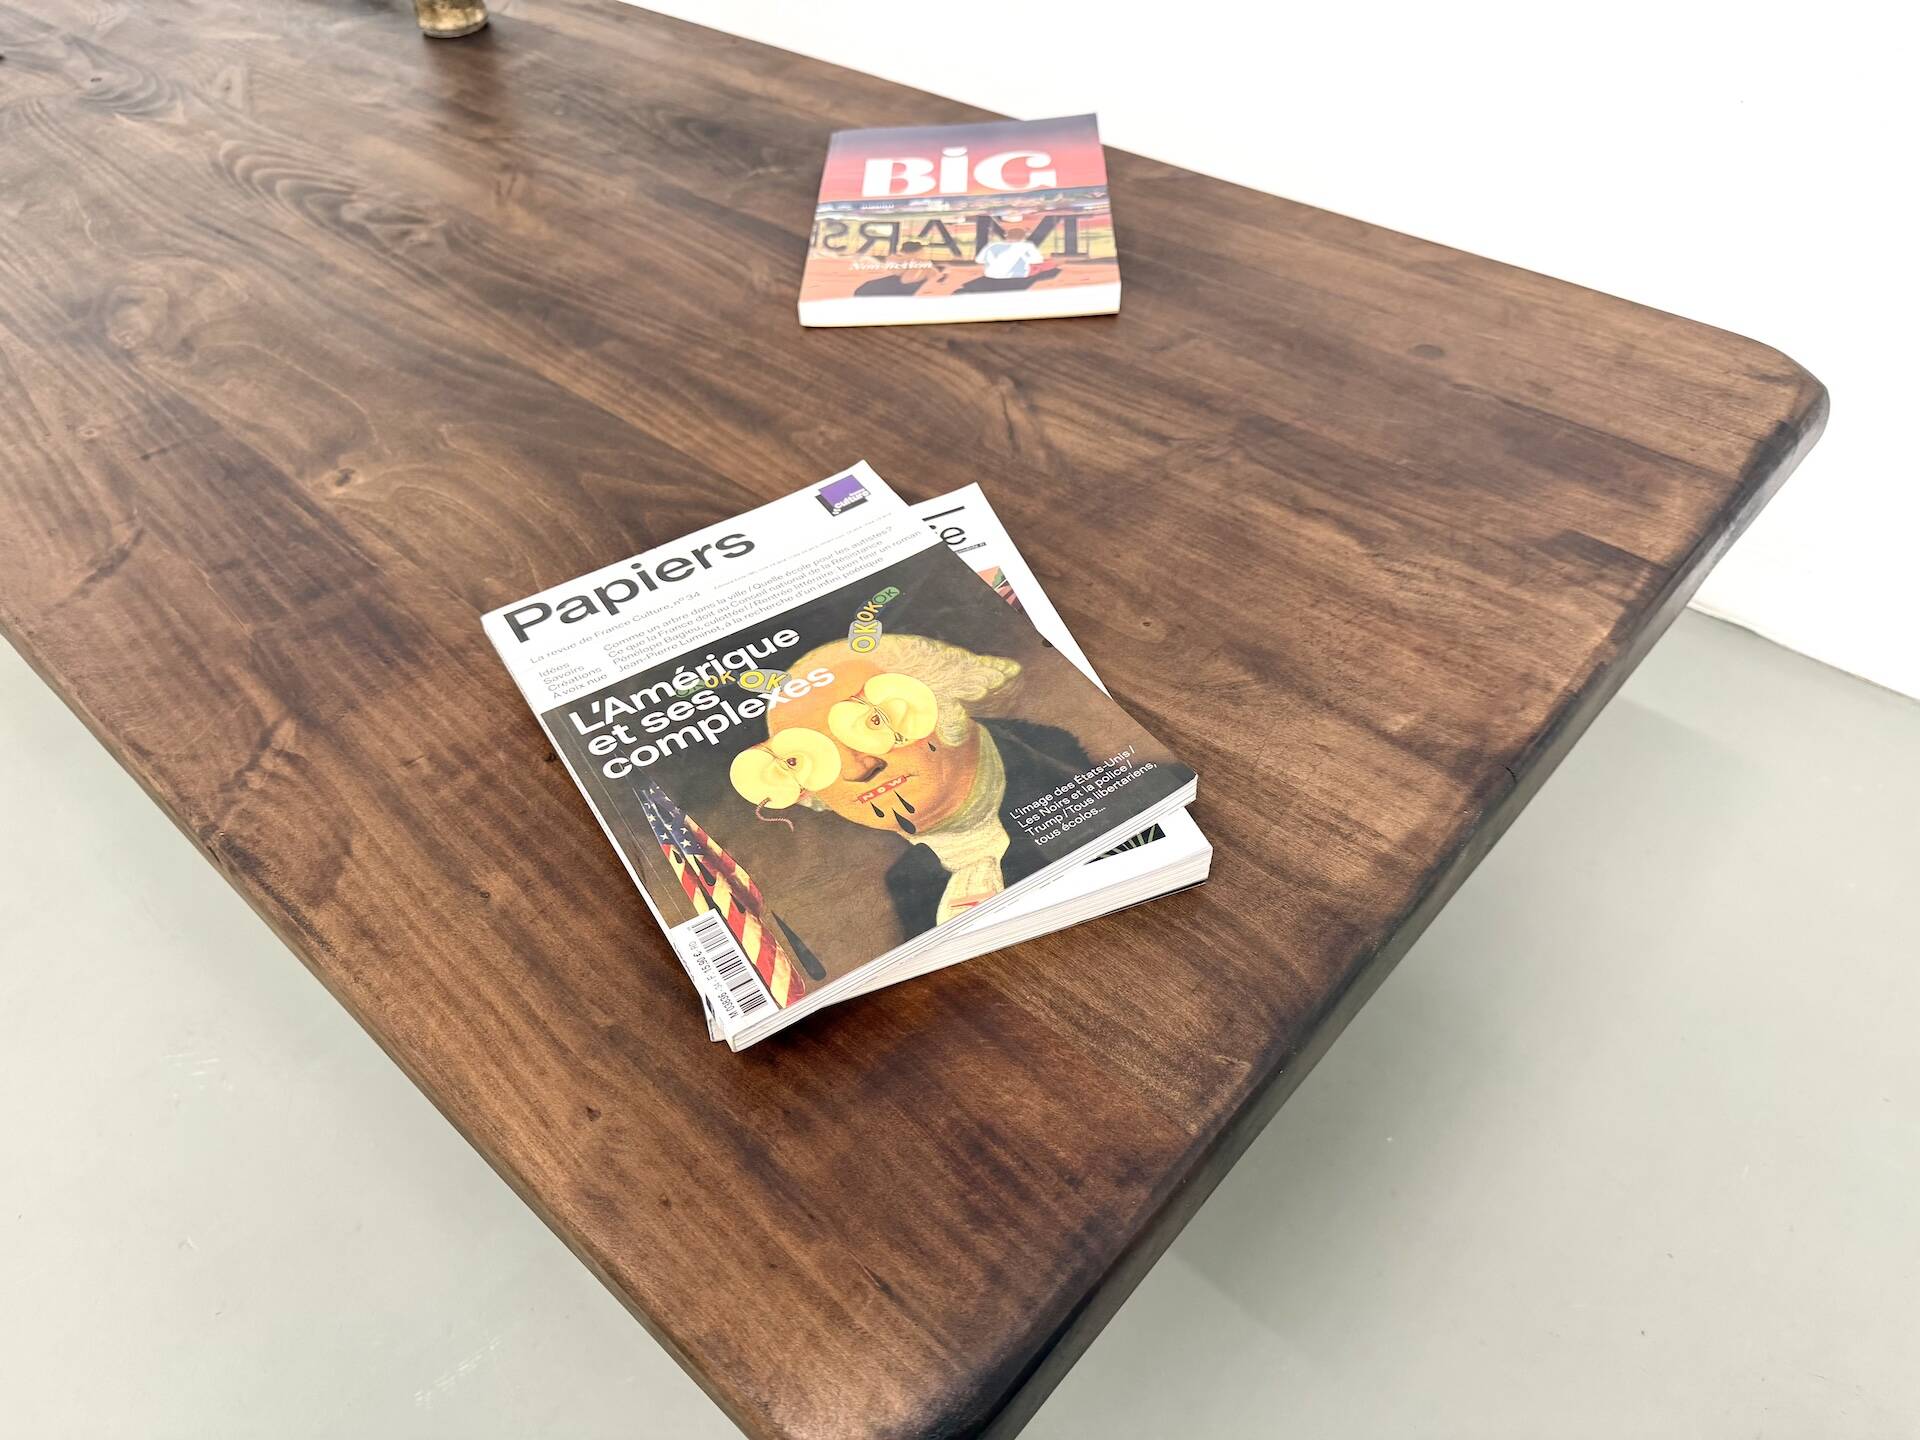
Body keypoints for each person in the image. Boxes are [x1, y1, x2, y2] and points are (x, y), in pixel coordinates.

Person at [735, 634, 1091, 936]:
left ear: (946, 705)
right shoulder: (909, 885)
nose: (858, 769)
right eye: (807, 757)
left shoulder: (1085, 790)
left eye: (874, 722)